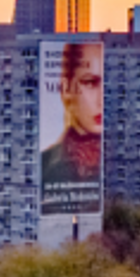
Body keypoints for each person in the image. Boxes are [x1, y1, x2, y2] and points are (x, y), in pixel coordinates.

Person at [41, 43, 103, 188]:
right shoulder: (42, 166)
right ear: (66, 88)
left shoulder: (122, 163)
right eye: (90, 83)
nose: (102, 100)